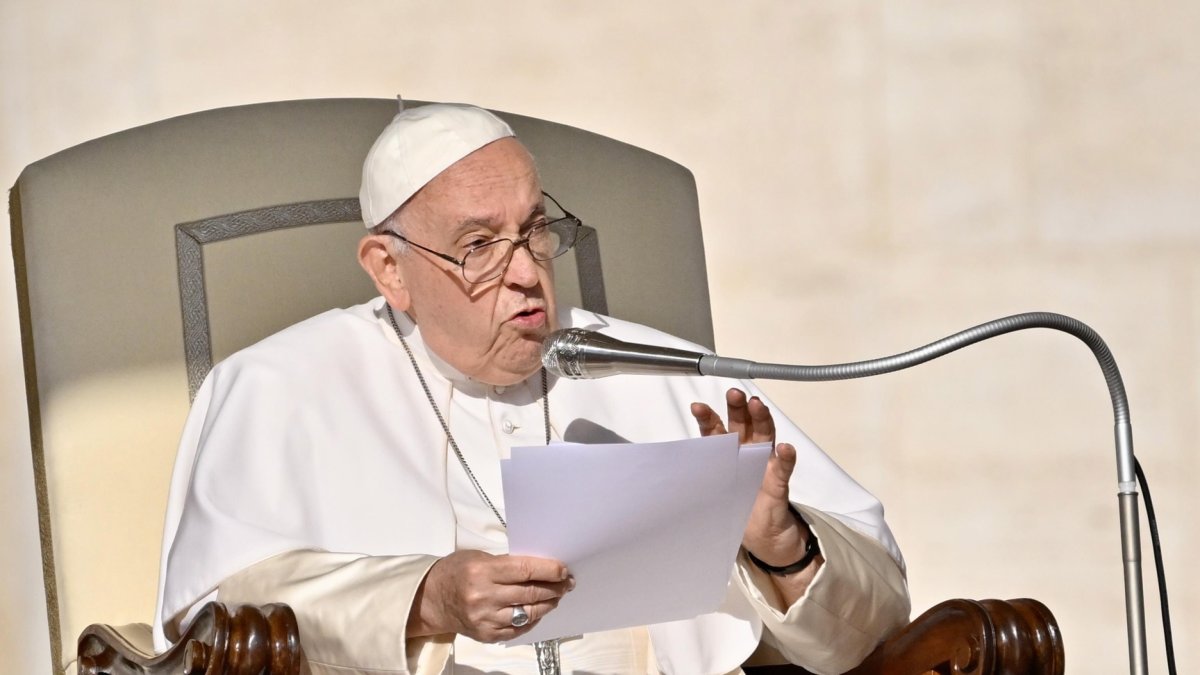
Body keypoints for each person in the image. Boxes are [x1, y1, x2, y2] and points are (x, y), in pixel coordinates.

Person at [153, 102, 910, 675]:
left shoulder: (655, 371)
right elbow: (213, 624)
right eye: (478, 245)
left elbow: (870, 619)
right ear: (388, 267)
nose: (526, 271)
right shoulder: (278, 386)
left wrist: (779, 549)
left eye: (535, 229)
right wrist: (426, 598)